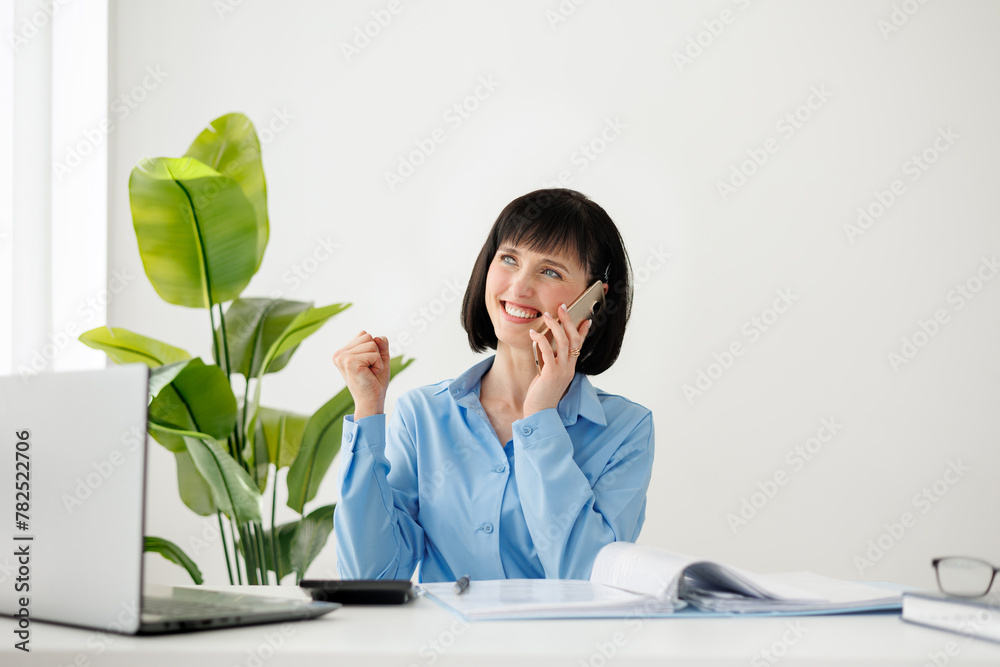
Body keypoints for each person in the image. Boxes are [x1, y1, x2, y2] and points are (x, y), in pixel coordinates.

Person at [332, 188, 654, 583]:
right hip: (441, 645)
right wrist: (367, 412)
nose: (519, 287)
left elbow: (586, 578)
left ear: (595, 300)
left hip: (565, 645)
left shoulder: (626, 430)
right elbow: (369, 577)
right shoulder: (423, 416)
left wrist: (541, 419)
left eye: (550, 271)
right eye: (509, 259)